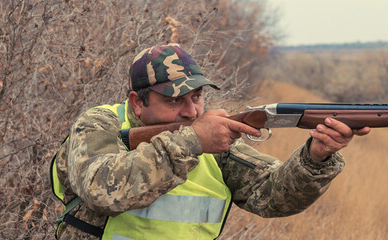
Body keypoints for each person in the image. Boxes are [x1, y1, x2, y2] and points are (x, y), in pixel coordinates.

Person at [50, 44, 370, 239]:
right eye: (175, 101)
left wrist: (317, 156)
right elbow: (102, 191)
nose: (192, 111)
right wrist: (192, 143)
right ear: (137, 102)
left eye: (198, 96)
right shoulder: (99, 124)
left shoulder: (211, 140)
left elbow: (272, 195)